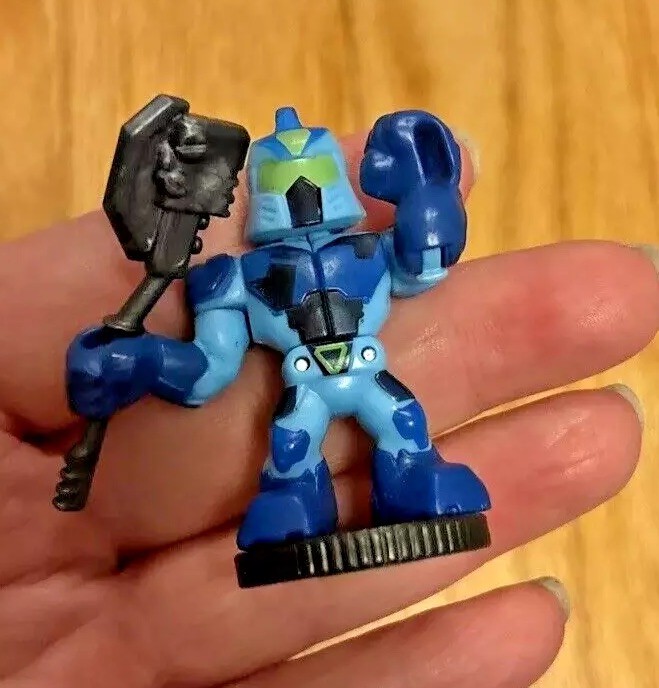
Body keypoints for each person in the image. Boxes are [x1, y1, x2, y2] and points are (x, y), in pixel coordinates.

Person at [0, 124, 656, 688]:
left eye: (313, 177)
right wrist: (143, 361)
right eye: (285, 180)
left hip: (368, 371)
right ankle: (295, 506)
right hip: (305, 382)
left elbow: (423, 264)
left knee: (403, 424)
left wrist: (428, 206)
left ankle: (415, 484)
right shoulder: (234, 277)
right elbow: (209, 368)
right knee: (292, 449)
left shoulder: (368, 252)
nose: (301, 192)